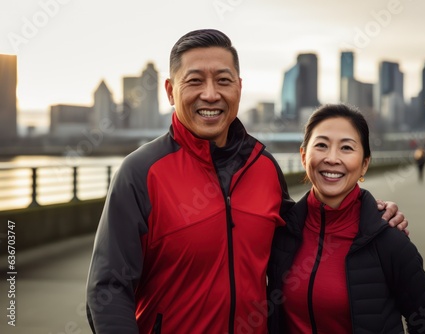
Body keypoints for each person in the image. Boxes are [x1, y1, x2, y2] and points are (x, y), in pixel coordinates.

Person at [86, 29, 408, 333]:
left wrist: (371, 216)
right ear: (170, 90)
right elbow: (109, 288)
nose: (210, 95)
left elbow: (307, 234)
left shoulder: (264, 167)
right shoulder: (141, 172)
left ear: (238, 87)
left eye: (223, 81)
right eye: (195, 81)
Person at [267, 104, 425, 333]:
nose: (332, 158)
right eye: (321, 145)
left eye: (346, 148)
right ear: (303, 156)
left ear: (365, 164)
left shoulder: (390, 241)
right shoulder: (280, 230)